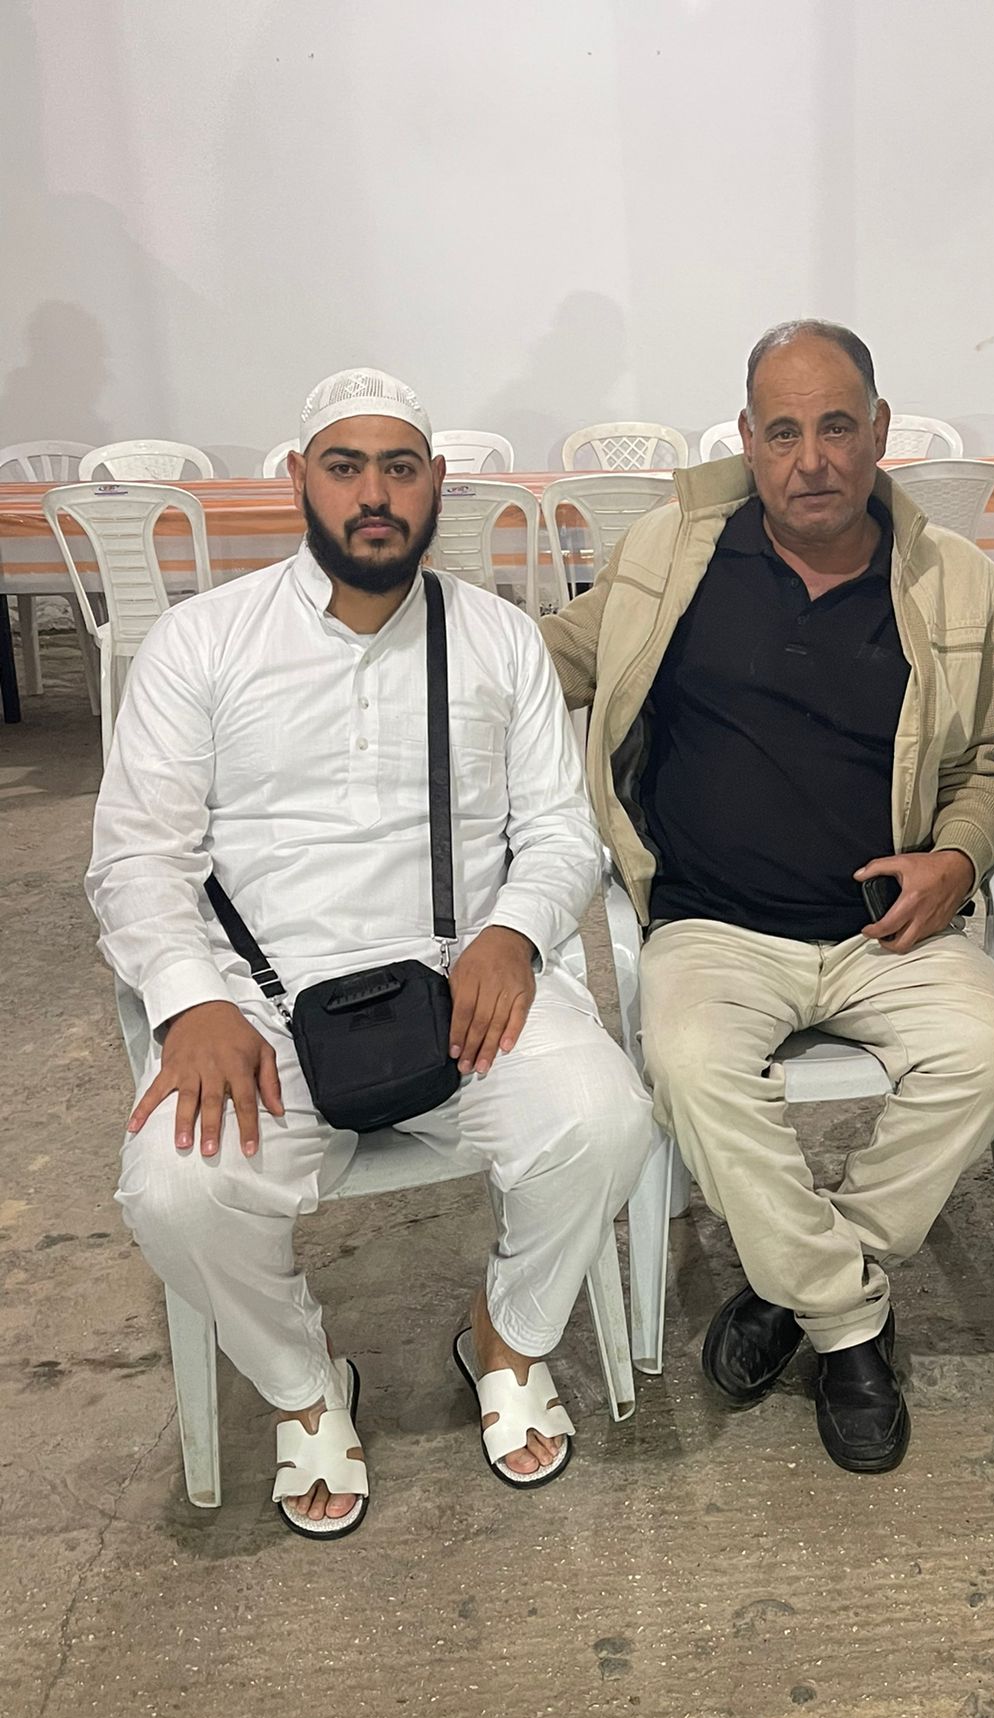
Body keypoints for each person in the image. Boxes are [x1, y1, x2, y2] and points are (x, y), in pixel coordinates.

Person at [89, 368, 652, 1538]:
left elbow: (562, 832)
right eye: (345, 468)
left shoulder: (499, 637)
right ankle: (306, 1386)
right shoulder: (201, 642)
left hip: (463, 985)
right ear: (299, 478)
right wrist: (190, 1001)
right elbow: (137, 856)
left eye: (400, 468)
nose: (375, 495)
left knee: (607, 1120)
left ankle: (507, 1337)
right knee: (174, 1187)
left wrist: (511, 933)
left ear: (436, 482)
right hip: (258, 1005)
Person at [541, 320, 994, 1475]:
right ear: (749, 439)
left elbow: (989, 768)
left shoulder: (958, 582)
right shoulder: (672, 553)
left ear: (880, 430)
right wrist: (405, 639)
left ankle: (795, 1281)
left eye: (836, 426)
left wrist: (959, 861)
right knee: (691, 1067)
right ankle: (851, 1327)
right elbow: (543, 659)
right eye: (783, 432)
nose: (812, 459)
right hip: (714, 925)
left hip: (885, 928)